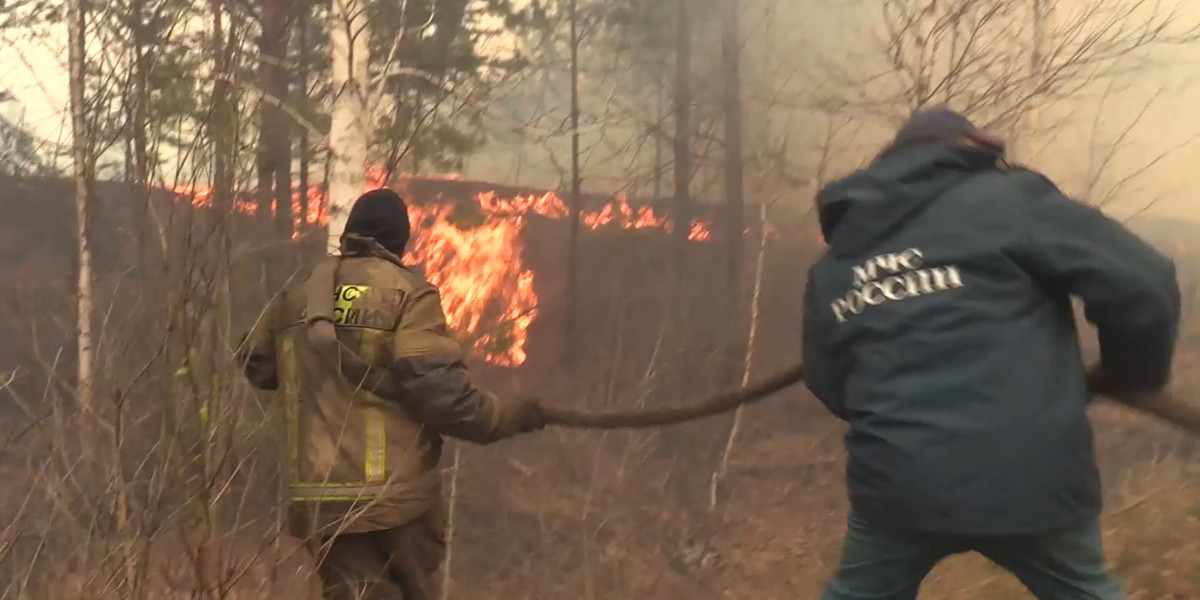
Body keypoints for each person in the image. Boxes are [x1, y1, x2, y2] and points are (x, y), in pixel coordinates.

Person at [802, 107, 1180, 600]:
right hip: (1032, 475)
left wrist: (898, 418)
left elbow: (827, 378)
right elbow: (1143, 282)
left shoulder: (838, 262)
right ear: (970, 149)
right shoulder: (1010, 201)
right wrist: (1132, 372)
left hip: (901, 484)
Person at [238, 188, 545, 600]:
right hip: (394, 502)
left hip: (319, 501)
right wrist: (511, 416)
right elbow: (444, 397)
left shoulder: (297, 298)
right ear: (400, 242)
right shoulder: (408, 295)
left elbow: (256, 364)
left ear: (349, 235)